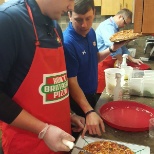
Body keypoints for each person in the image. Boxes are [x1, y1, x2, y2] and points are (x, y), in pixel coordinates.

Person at [0, 0, 86, 153]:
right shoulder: (8, 21)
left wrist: (67, 115)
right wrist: (43, 130)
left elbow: (51, 85)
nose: (71, 7)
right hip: (26, 146)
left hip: (61, 141)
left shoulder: (55, 27)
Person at [63, 0, 128, 138]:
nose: (84, 25)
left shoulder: (90, 32)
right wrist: (88, 111)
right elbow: (71, 82)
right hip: (77, 101)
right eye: (78, 20)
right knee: (81, 140)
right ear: (69, 15)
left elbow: (95, 58)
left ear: (94, 13)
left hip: (91, 95)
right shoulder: (68, 42)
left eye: (88, 18)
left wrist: (112, 48)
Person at [95, 8, 150, 94]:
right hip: (103, 63)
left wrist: (132, 59)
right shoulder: (107, 27)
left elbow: (121, 46)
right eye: (124, 23)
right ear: (120, 16)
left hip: (110, 63)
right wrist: (121, 60)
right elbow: (113, 47)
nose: (124, 26)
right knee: (103, 92)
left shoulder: (115, 28)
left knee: (112, 89)